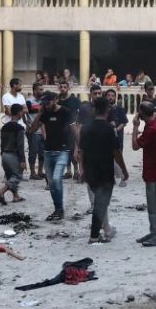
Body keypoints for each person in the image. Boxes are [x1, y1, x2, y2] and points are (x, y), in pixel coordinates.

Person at [77, 96, 124, 243]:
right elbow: (116, 152)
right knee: (101, 203)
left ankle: (101, 232)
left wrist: (82, 169)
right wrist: (124, 170)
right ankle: (94, 236)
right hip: (105, 171)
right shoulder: (110, 129)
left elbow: (81, 151)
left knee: (99, 202)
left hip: (91, 170)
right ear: (107, 110)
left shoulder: (85, 128)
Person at [27, 90, 73, 221]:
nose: (46, 105)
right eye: (44, 103)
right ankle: (58, 209)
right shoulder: (45, 112)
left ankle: (60, 209)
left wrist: (77, 149)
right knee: (52, 183)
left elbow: (74, 129)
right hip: (48, 151)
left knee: (57, 179)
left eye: (48, 102)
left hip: (63, 151)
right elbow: (32, 130)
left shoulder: (65, 112)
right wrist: (40, 113)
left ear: (55, 100)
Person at [132, 101, 156, 247]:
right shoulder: (155, 125)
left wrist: (135, 127)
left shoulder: (153, 129)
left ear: (141, 114)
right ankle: (154, 231)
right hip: (155, 172)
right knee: (153, 206)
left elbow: (135, 146)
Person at [0, 103, 27, 205]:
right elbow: (20, 146)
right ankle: (1, 192)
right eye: (22, 111)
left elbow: (2, 143)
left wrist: (2, 155)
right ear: (19, 113)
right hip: (13, 155)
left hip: (4, 155)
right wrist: (22, 160)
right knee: (17, 176)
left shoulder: (4, 127)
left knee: (10, 177)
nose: (23, 113)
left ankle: (16, 196)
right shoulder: (19, 128)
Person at [105, 88, 130, 185]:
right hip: (106, 137)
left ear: (115, 97)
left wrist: (115, 129)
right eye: (109, 95)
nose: (110, 97)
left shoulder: (120, 109)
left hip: (117, 137)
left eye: (112, 95)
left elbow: (124, 122)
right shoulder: (104, 109)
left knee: (118, 157)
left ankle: (122, 177)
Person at [57, 81, 81, 178]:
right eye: (61, 87)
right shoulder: (57, 100)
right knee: (65, 150)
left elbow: (80, 113)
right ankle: (68, 171)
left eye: (64, 87)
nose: (63, 88)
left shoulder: (75, 100)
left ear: (68, 88)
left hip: (73, 127)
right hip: (61, 128)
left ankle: (76, 170)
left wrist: (78, 125)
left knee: (73, 149)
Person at [26, 82, 46, 179]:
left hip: (43, 131)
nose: (42, 91)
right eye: (40, 89)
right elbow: (23, 113)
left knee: (42, 152)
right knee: (33, 152)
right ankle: (32, 173)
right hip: (33, 131)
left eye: (43, 89)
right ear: (34, 90)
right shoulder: (29, 102)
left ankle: (40, 171)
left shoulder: (43, 101)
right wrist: (27, 124)